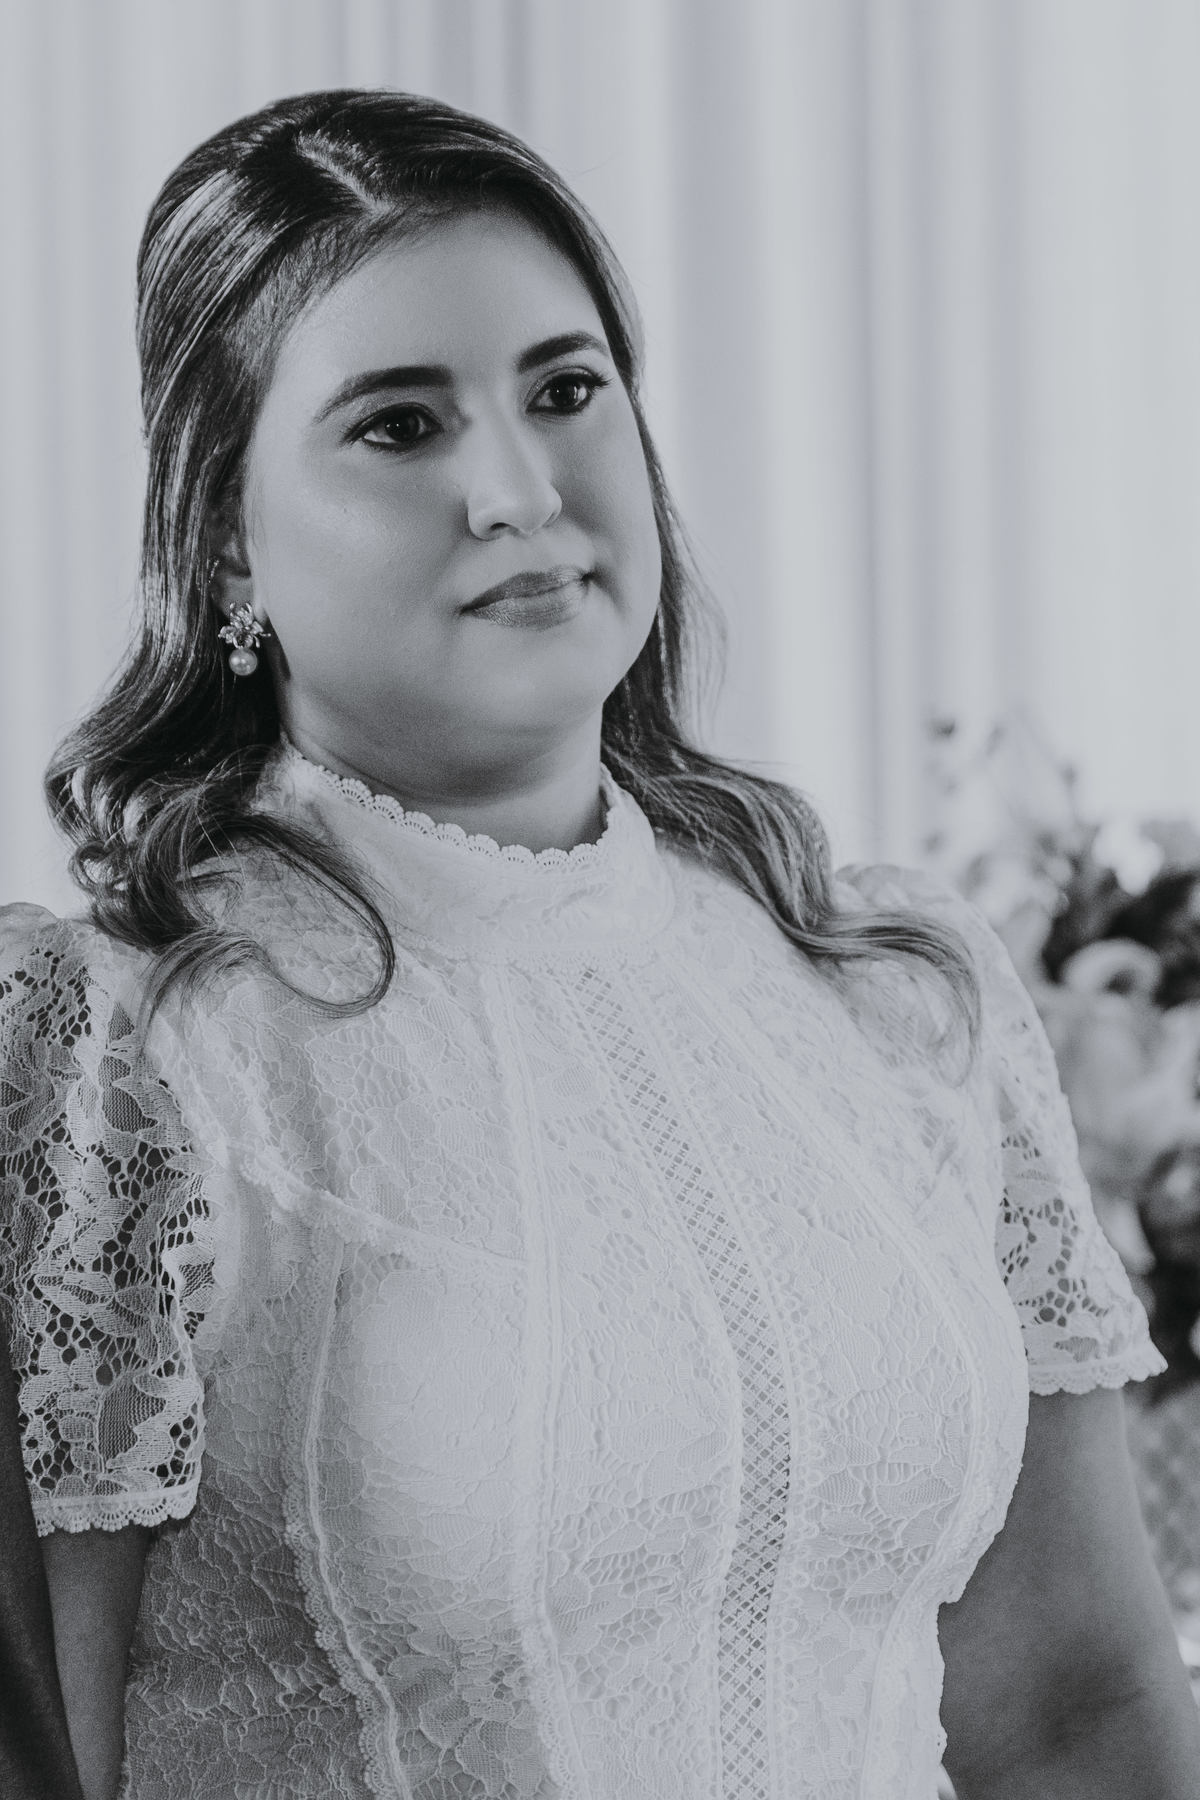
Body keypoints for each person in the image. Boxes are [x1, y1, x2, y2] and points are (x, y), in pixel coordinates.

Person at [0, 87, 1196, 1800]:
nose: (517, 488)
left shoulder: (900, 990)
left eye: (565, 391)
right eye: (400, 426)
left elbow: (1078, 1709)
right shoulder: (122, 1045)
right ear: (221, 538)